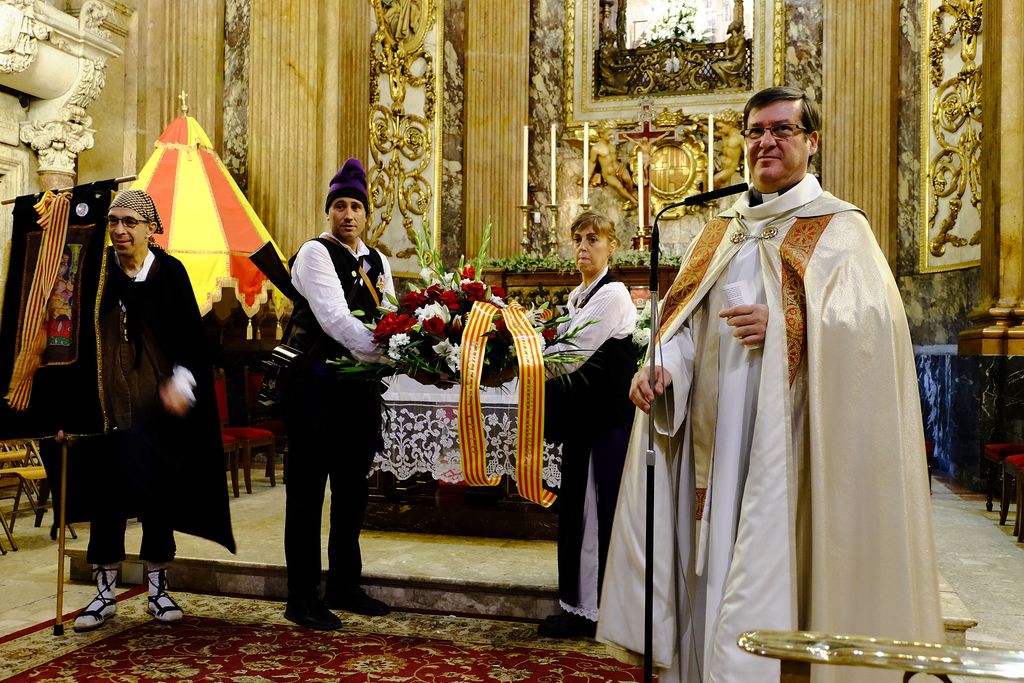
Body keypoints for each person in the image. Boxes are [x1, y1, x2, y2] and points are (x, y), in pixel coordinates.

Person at [597, 87, 943, 682]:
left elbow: (870, 336)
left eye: (782, 129)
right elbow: (684, 327)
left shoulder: (840, 229)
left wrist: (788, 324)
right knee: (714, 561)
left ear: (812, 141)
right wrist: (663, 368)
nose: (767, 141)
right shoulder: (720, 232)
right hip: (715, 445)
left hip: (793, 452)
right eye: (756, 131)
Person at [73, 189, 235, 632]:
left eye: (129, 222)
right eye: (113, 222)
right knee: (106, 500)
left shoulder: (170, 273)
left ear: (150, 227)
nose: (120, 231)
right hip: (109, 404)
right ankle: (104, 593)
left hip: (157, 408)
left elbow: (191, 342)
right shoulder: (100, 272)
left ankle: (157, 589)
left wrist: (182, 384)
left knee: (156, 501)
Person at [282, 158, 395, 631]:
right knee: (307, 494)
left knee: (352, 492)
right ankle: (301, 597)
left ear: (368, 215)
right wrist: (384, 354)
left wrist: (404, 345)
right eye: (340, 206)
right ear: (329, 212)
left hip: (357, 393)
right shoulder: (314, 253)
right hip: (316, 387)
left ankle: (345, 585)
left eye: (356, 207)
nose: (348, 215)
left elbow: (389, 313)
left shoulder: (379, 261)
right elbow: (333, 318)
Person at [539, 211, 637, 639]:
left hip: (603, 424)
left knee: (596, 514)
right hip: (584, 422)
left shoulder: (612, 294)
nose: (583, 246)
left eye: (593, 238)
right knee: (578, 512)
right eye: (577, 238)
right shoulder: (580, 295)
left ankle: (594, 611)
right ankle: (577, 605)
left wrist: (517, 362)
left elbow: (570, 355)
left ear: (612, 245)